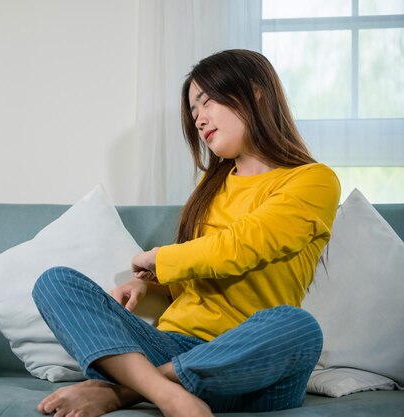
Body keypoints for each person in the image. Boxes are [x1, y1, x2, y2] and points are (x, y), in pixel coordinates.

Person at [32, 49, 341, 417]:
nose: (199, 119)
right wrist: (152, 285)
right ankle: (170, 392)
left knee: (298, 326)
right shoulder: (209, 190)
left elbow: (242, 247)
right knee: (54, 282)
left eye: (206, 102)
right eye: (193, 113)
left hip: (253, 366)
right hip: (173, 348)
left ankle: (127, 392)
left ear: (256, 93)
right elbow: (200, 273)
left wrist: (159, 258)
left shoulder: (313, 180)